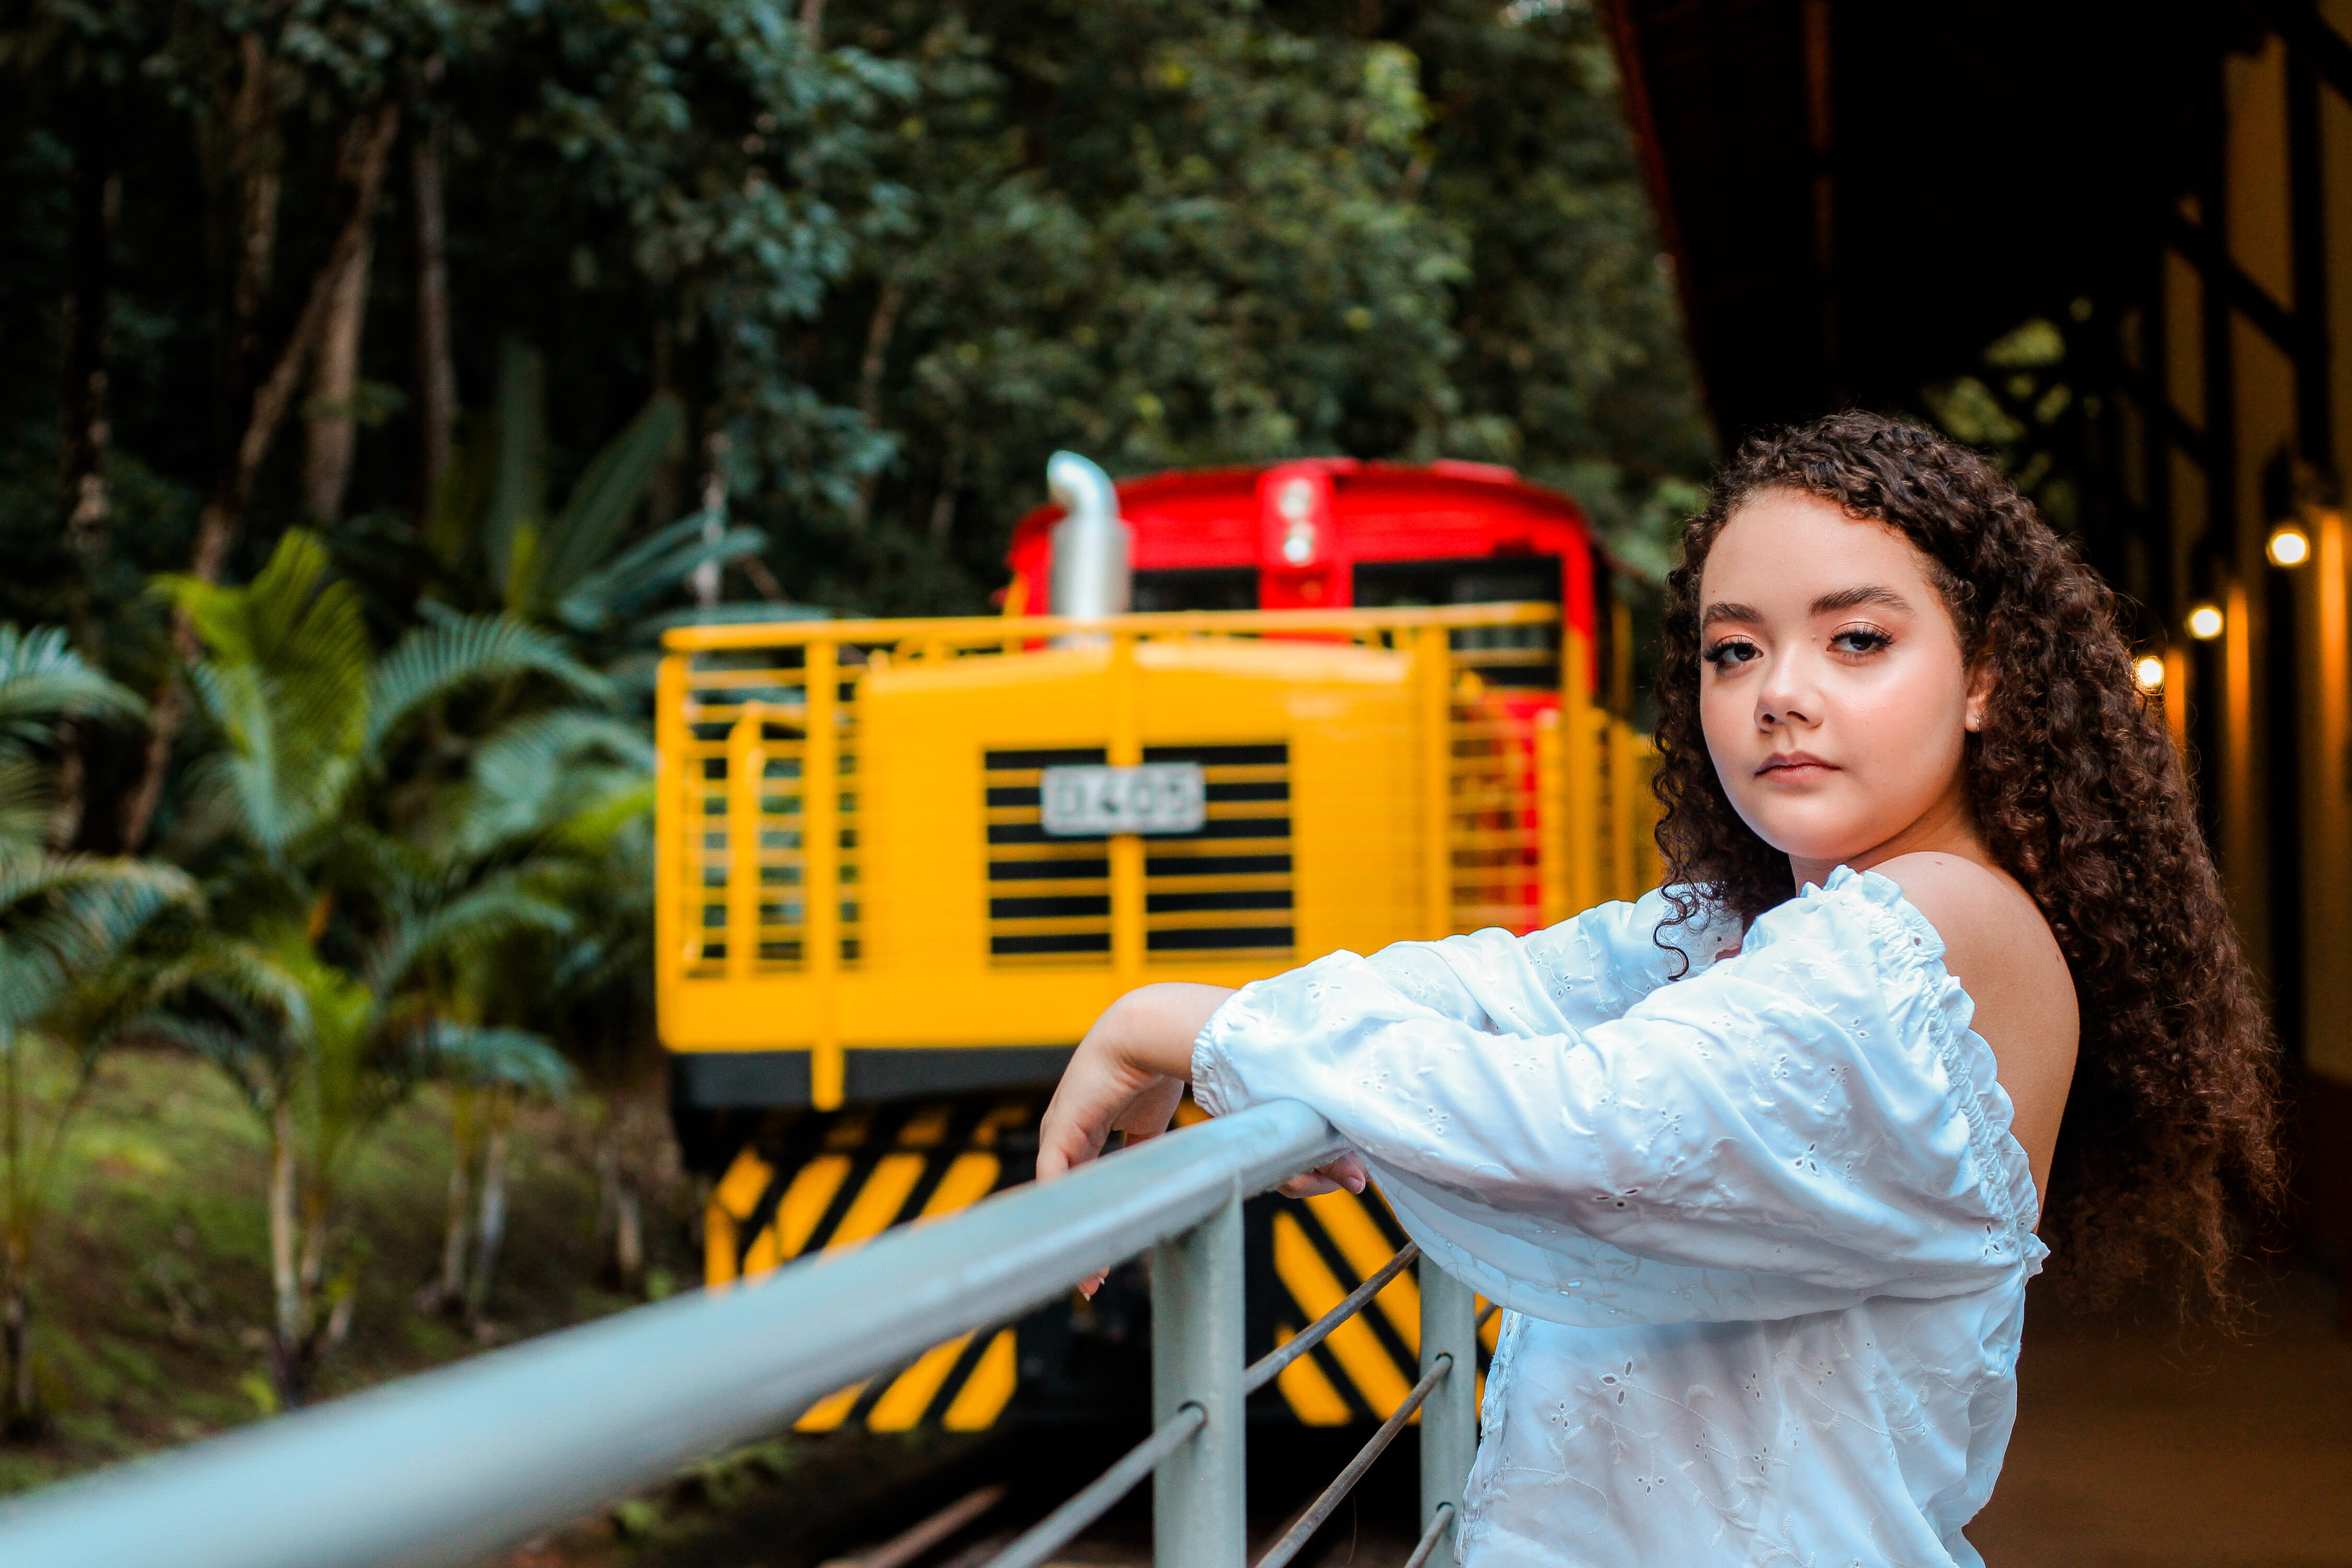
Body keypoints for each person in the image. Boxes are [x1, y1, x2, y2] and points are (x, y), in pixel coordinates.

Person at [1035, 412, 2281, 1567]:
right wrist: (1248, 1033)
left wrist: (1199, 1030)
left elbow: (1596, 1129)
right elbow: (1508, 987)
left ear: (1984, 677)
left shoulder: (1937, 931)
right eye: (1734, 649)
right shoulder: (1782, 928)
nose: (1779, 691)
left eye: (1858, 639)